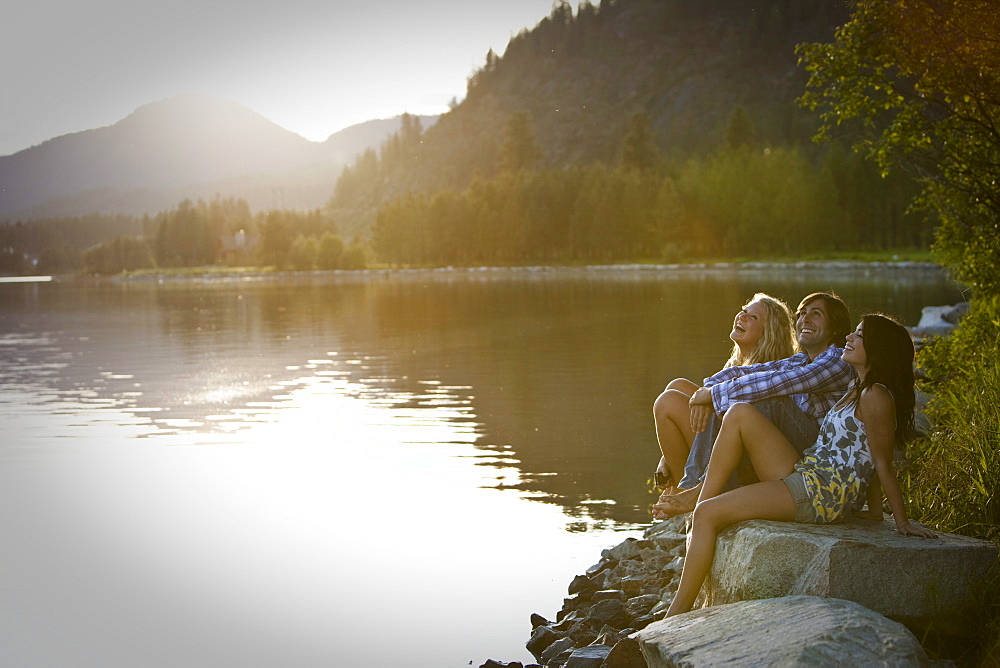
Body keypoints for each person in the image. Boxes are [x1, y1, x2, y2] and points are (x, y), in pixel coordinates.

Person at [664, 313, 937, 619]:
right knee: (739, 412)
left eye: (859, 335)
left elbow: (882, 462)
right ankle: (702, 498)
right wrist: (874, 513)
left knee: (707, 515)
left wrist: (901, 522)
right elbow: (867, 456)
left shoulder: (876, 397)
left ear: (878, 348)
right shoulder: (858, 387)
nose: (849, 338)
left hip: (817, 493)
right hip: (810, 474)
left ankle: (673, 615)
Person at [653, 292, 855, 519]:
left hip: (812, 462)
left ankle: (697, 490)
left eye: (815, 314)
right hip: (780, 450)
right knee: (704, 394)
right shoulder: (800, 359)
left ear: (836, 328)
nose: (805, 319)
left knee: (765, 398)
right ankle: (690, 486)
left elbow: (779, 382)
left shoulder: (839, 359)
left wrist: (714, 395)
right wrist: (708, 391)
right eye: (802, 314)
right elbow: (747, 372)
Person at [652, 293, 797, 496]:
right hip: (721, 444)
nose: (742, 316)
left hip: (745, 459)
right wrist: (665, 458)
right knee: (678, 386)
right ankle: (678, 486)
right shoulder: (735, 365)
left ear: (769, 333)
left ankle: (684, 491)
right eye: (744, 311)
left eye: (753, 317)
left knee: (667, 403)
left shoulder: (769, 373)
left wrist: (707, 401)